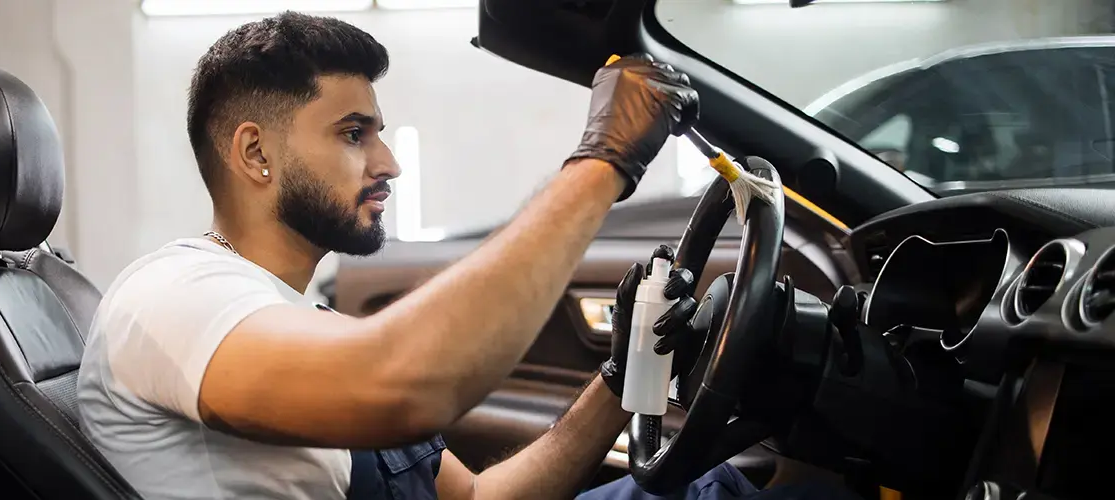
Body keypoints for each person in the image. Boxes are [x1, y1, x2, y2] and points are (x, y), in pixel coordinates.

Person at [76, 11, 858, 500]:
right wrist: (602, 160)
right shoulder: (173, 293)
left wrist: (621, 379)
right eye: (354, 133)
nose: (388, 161)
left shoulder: (290, 317)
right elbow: (401, 384)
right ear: (255, 153)